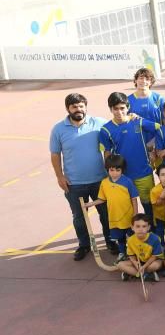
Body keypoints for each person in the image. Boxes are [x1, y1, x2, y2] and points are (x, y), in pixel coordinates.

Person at [50, 92, 112, 260]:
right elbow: (55, 154)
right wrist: (59, 176)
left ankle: (110, 241)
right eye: (74, 107)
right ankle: (84, 245)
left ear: (86, 107)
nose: (78, 109)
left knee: (106, 213)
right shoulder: (58, 129)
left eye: (81, 106)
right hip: (74, 183)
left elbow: (115, 132)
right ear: (68, 109)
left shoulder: (99, 123)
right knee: (79, 218)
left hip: (100, 180)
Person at [99, 92, 158, 208]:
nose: (119, 112)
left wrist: (152, 150)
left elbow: (159, 129)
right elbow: (107, 153)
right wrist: (110, 174)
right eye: (115, 109)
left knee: (149, 205)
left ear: (128, 108)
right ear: (110, 109)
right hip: (123, 176)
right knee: (127, 207)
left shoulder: (138, 121)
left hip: (144, 172)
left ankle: (151, 226)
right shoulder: (106, 130)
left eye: (122, 108)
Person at [88, 154, 139, 258]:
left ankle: (133, 253)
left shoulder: (128, 181)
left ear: (122, 170)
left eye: (117, 170)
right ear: (107, 169)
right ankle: (122, 253)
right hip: (114, 217)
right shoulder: (104, 183)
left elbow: (134, 199)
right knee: (120, 237)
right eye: (111, 170)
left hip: (128, 216)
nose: (114, 173)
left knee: (131, 236)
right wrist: (89, 204)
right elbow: (102, 199)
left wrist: (135, 214)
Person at [119, 213, 164, 282]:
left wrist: (144, 266)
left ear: (148, 227)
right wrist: (135, 263)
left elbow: (155, 256)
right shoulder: (130, 240)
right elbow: (131, 255)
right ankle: (146, 275)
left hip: (151, 261)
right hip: (139, 261)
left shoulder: (155, 239)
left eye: (144, 226)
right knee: (120, 265)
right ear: (132, 227)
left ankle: (133, 273)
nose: (141, 229)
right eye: (138, 226)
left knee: (155, 266)